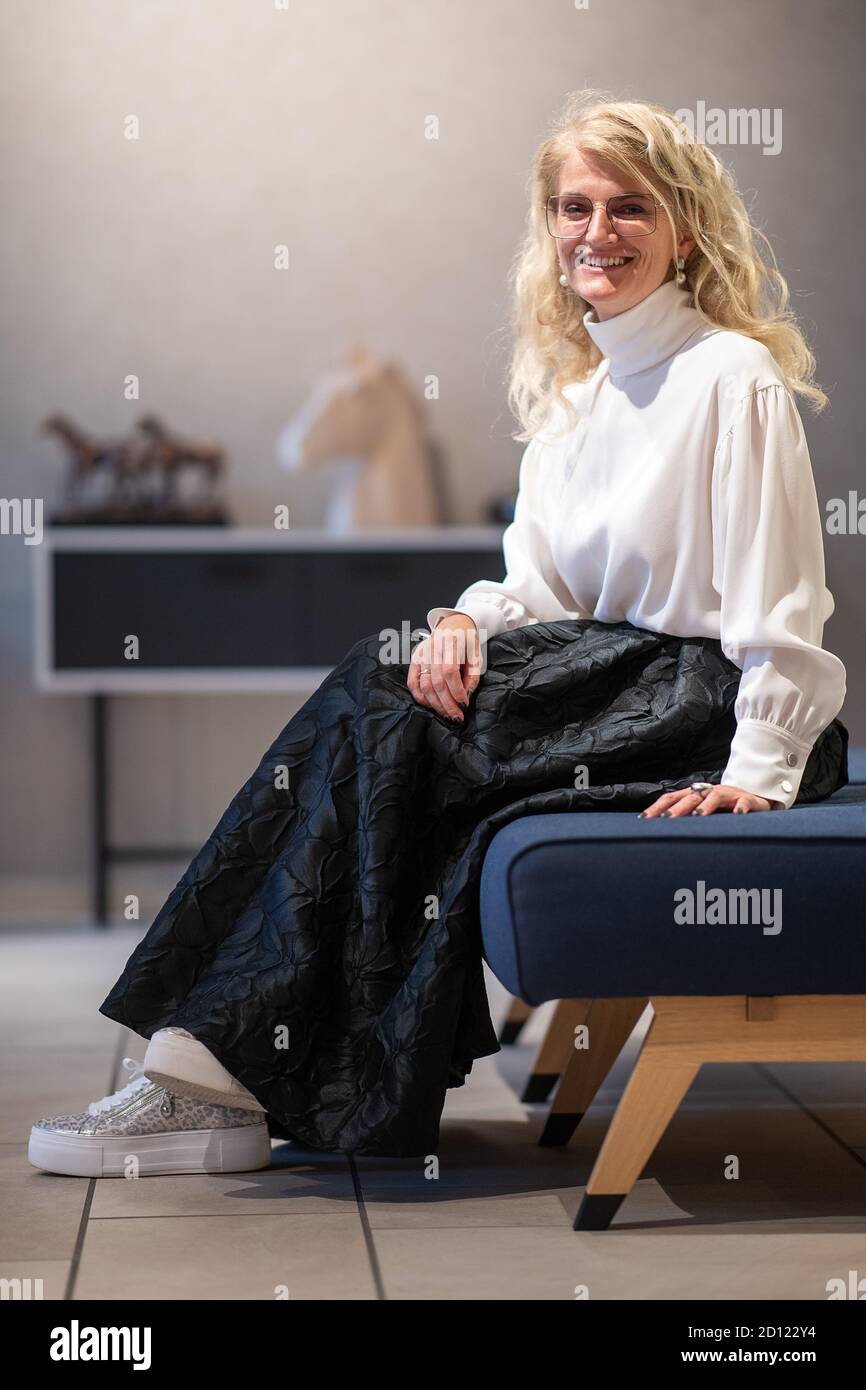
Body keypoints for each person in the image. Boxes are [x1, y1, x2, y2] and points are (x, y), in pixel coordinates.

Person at [28, 91, 847, 1179]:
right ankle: (214, 1066)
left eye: (628, 208)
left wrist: (760, 766)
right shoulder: (578, 393)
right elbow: (539, 582)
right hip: (602, 675)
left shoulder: (729, 378)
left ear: (682, 228)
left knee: (385, 710)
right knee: (388, 686)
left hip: (701, 701)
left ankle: (212, 1077)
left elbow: (780, 602)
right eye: (572, 207)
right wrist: (464, 619)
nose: (595, 232)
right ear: (548, 229)